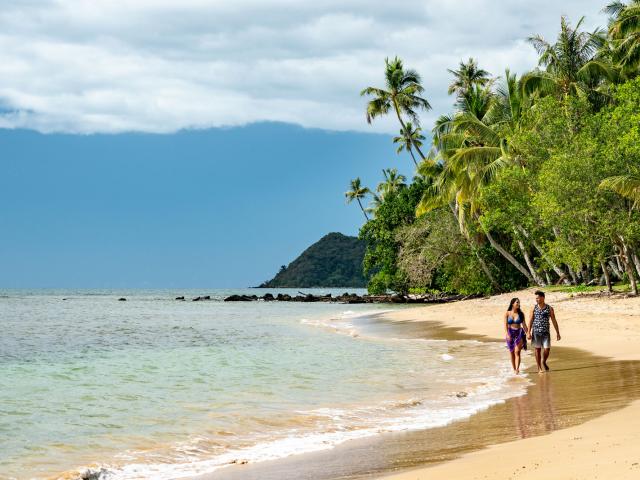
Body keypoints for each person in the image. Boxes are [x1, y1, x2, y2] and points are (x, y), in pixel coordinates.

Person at [527, 290, 560, 373]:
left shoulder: (549, 308)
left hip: (546, 332)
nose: (536, 299)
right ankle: (539, 368)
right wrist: (528, 332)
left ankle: (544, 361)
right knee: (537, 349)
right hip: (536, 332)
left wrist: (558, 333)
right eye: (536, 298)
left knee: (547, 349)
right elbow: (530, 320)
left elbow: (554, 320)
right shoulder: (533, 308)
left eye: (538, 298)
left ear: (543, 298)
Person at [504, 297, 528, 374]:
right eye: (517, 302)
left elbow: (524, 325)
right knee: (511, 352)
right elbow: (505, 325)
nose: (518, 304)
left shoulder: (521, 314)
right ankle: (514, 369)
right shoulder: (507, 313)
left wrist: (528, 333)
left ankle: (517, 369)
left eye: (519, 302)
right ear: (512, 304)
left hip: (519, 333)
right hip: (510, 333)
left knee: (517, 352)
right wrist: (507, 334)